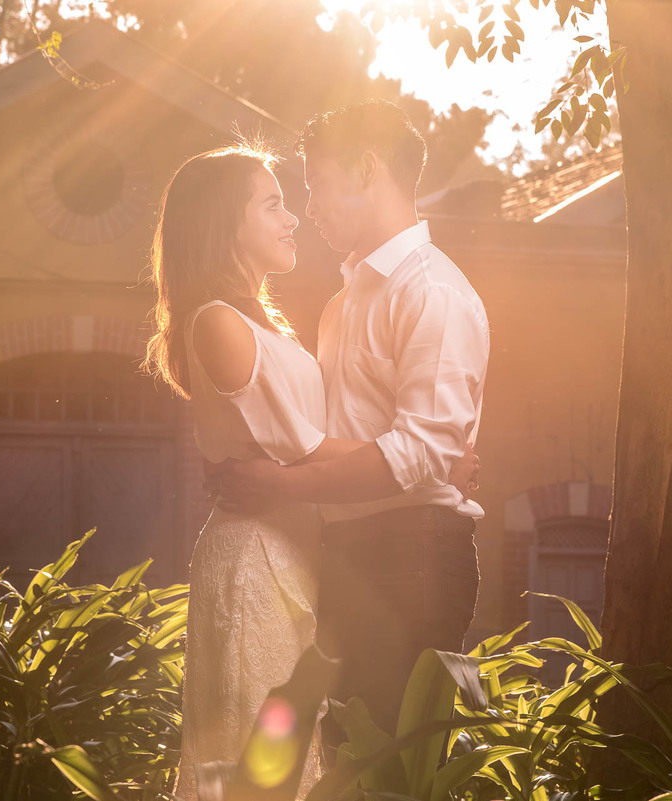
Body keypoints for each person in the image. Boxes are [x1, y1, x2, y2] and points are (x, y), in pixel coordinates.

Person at [143, 142, 477, 800]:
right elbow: (307, 448)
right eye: (272, 204)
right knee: (257, 763)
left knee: (293, 757)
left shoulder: (259, 321)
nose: (293, 216)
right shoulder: (218, 323)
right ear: (224, 222)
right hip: (257, 560)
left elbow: (311, 443)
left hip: (296, 554)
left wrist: (428, 450)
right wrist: (431, 458)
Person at [210, 100, 491, 739]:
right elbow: (343, 437)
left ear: (367, 169)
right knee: (344, 758)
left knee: (391, 761)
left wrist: (282, 485)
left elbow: (421, 452)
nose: (308, 207)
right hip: (347, 553)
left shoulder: (431, 291)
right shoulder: (345, 301)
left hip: (411, 553)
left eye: (316, 184)